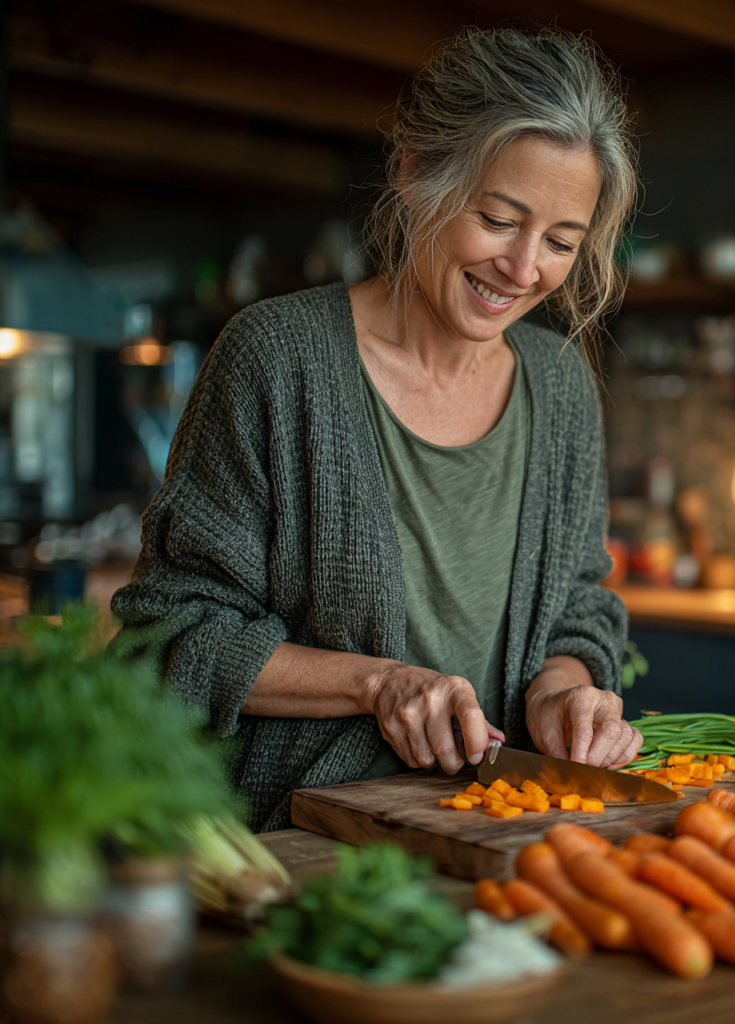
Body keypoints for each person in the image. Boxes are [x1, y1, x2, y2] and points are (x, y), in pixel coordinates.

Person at [112, 26, 643, 831]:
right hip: (307, 838)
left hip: (512, 831)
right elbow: (174, 634)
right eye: (499, 219)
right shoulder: (278, 358)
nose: (526, 267)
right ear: (415, 173)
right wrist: (378, 683)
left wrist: (564, 689)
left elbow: (576, 606)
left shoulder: (561, 383)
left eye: (563, 242)